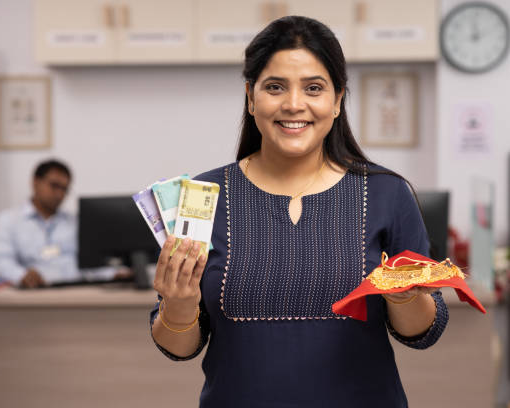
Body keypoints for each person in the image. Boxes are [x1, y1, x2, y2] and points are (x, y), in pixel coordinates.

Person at [149, 16, 449, 407]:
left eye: (314, 88)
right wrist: (178, 303)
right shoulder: (202, 197)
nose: (294, 104)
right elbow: (179, 347)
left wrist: (403, 297)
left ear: (338, 100)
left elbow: (422, 333)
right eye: (275, 87)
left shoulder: (386, 193)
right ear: (251, 96)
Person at [0, 159, 78, 288]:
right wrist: (22, 275)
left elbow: (91, 264)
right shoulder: (8, 220)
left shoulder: (74, 222)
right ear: (35, 183)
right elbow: (0, 262)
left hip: (75, 293)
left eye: (64, 189)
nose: (59, 194)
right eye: (54, 186)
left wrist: (112, 273)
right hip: (29, 296)